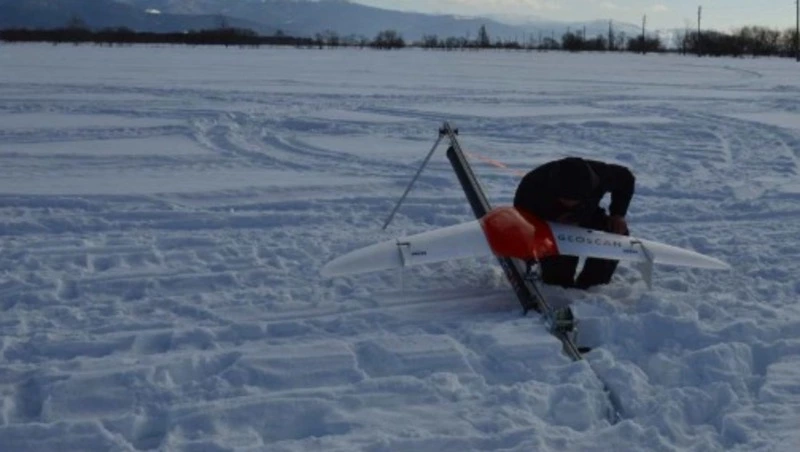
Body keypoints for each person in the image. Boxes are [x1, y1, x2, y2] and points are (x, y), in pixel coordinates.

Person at [513, 157, 635, 289]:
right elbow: (523, 222)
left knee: (615, 232)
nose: (569, 204)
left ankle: (593, 285)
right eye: (564, 199)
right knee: (558, 280)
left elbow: (627, 179)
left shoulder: (602, 175)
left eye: (575, 200)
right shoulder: (532, 186)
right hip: (549, 225)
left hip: (587, 213)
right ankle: (559, 284)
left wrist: (618, 214)